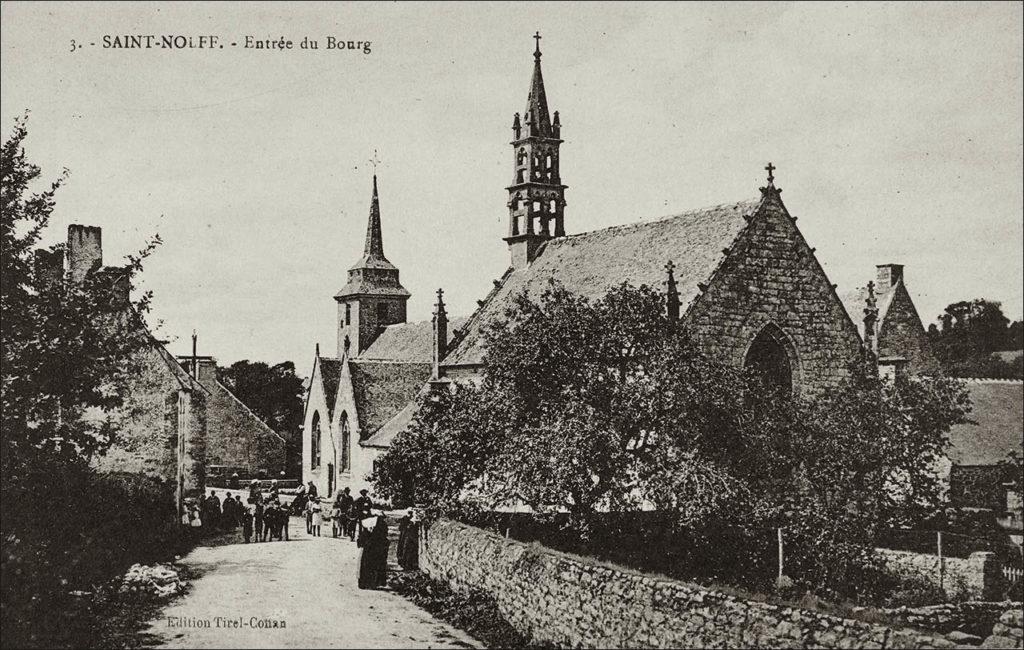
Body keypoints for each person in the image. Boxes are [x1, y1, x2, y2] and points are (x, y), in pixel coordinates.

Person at [357, 512, 389, 589]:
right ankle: (373, 583)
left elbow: (361, 540)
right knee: (374, 565)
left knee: (366, 566)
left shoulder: (369, 524)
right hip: (375, 549)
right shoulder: (381, 525)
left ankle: (365, 583)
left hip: (368, 549)